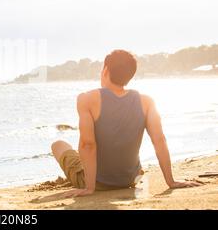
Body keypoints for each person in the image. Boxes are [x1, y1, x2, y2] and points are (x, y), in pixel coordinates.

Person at [51, 50, 202, 198]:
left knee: (58, 144)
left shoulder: (86, 99)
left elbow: (88, 144)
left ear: (105, 71)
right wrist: (171, 181)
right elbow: (159, 140)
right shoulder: (147, 101)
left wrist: (89, 188)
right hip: (130, 179)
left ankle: (86, 179)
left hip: (96, 182)